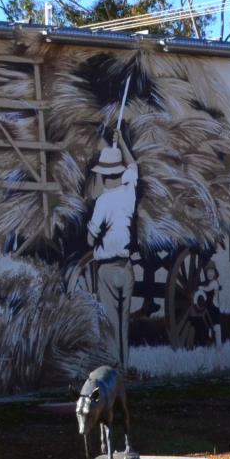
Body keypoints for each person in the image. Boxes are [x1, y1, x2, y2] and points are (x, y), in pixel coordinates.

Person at [86, 141, 139, 368]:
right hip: (127, 269)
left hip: (107, 269)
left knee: (110, 322)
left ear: (104, 176)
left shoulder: (103, 202)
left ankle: (114, 369)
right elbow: (134, 165)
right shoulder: (129, 193)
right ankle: (124, 367)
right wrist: (123, 142)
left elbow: (90, 238)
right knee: (124, 323)